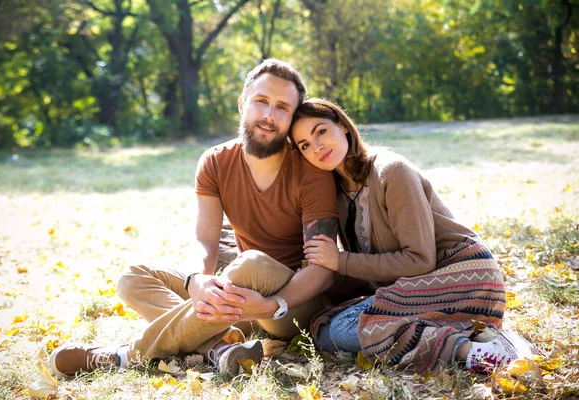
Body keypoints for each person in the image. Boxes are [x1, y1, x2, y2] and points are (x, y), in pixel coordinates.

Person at [49, 60, 369, 377]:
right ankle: (219, 348)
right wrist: (197, 280)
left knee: (250, 264)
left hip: (292, 303)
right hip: (235, 299)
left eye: (282, 107)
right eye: (261, 101)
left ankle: (122, 356)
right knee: (133, 277)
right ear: (243, 104)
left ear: (292, 118)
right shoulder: (215, 162)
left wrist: (273, 305)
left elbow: (322, 270)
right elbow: (205, 239)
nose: (269, 115)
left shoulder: (309, 170)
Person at [289, 98, 536, 374]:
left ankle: (474, 351)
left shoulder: (391, 171)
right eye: (305, 145)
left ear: (343, 126)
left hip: (463, 275)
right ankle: (474, 337)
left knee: (345, 328)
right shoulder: (338, 194)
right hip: (419, 285)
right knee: (327, 330)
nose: (316, 147)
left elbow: (420, 260)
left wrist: (341, 260)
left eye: (320, 131)